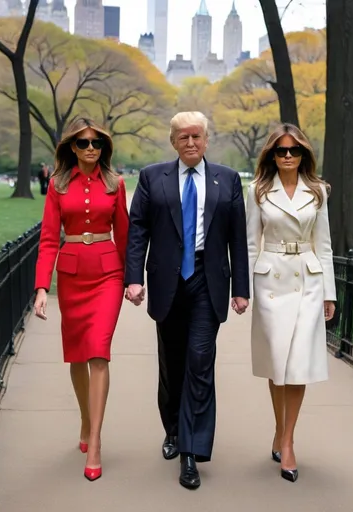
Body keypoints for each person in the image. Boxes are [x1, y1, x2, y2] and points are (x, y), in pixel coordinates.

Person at [125, 111, 249, 490]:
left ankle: (191, 453)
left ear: (207, 140)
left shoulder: (226, 180)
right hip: (167, 282)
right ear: (173, 142)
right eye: (183, 137)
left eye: (197, 136)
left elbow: (237, 238)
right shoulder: (152, 177)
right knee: (172, 364)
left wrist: (240, 288)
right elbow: (138, 230)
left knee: (199, 360)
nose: (191, 142)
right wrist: (133, 278)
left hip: (206, 281)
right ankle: (173, 429)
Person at [33, 117, 129, 482]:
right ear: (71, 147)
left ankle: (96, 438)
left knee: (98, 352)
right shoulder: (57, 185)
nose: (91, 149)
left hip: (107, 274)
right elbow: (46, 240)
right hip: (71, 276)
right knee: (76, 354)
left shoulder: (115, 183)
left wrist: (133, 280)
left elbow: (125, 234)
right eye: (83, 143)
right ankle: (86, 420)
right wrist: (42, 287)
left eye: (97, 144)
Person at [246, 123, 336, 483]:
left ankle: (287, 440)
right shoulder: (257, 191)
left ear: (303, 155)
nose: (287, 156)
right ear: (271, 154)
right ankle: (280, 427)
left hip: (307, 279)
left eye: (294, 151)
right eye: (281, 151)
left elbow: (324, 244)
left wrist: (329, 292)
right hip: (271, 281)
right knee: (277, 363)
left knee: (297, 363)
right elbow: (251, 243)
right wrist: (247, 288)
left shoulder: (318, 191)